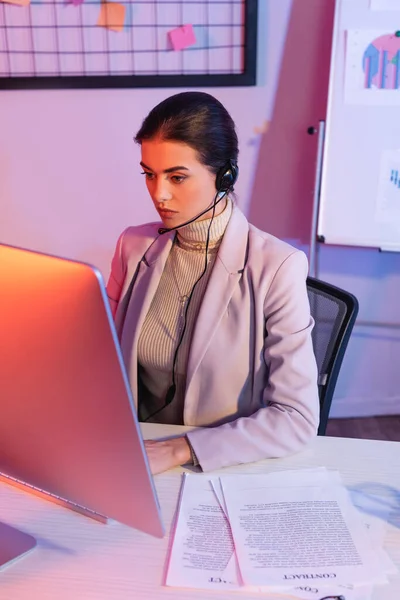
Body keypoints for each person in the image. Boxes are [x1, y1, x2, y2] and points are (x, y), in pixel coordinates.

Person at [106, 91, 319, 475]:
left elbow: (297, 418)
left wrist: (178, 449)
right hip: (133, 456)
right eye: (149, 175)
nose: (160, 194)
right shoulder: (132, 246)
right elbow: (100, 360)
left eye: (177, 177)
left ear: (225, 175)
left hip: (219, 465)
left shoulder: (277, 267)